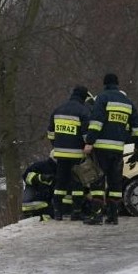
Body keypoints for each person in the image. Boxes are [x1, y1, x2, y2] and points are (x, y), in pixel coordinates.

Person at [83, 73, 138, 225]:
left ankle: (97, 216)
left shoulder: (102, 98)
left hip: (101, 148)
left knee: (98, 181)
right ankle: (113, 216)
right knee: (115, 183)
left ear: (105, 84)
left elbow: (96, 121)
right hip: (118, 149)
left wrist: (89, 141)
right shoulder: (127, 102)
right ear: (118, 84)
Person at [47, 85, 91, 221]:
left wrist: (57, 145)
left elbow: (50, 133)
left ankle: (58, 212)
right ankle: (76, 212)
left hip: (60, 154)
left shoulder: (58, 109)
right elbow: (86, 136)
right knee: (77, 184)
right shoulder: (83, 111)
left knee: (60, 183)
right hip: (77, 155)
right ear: (84, 97)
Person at [20, 154, 56, 220]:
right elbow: (26, 176)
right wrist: (41, 178)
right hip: (35, 212)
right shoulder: (40, 166)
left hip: (51, 212)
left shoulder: (66, 172)